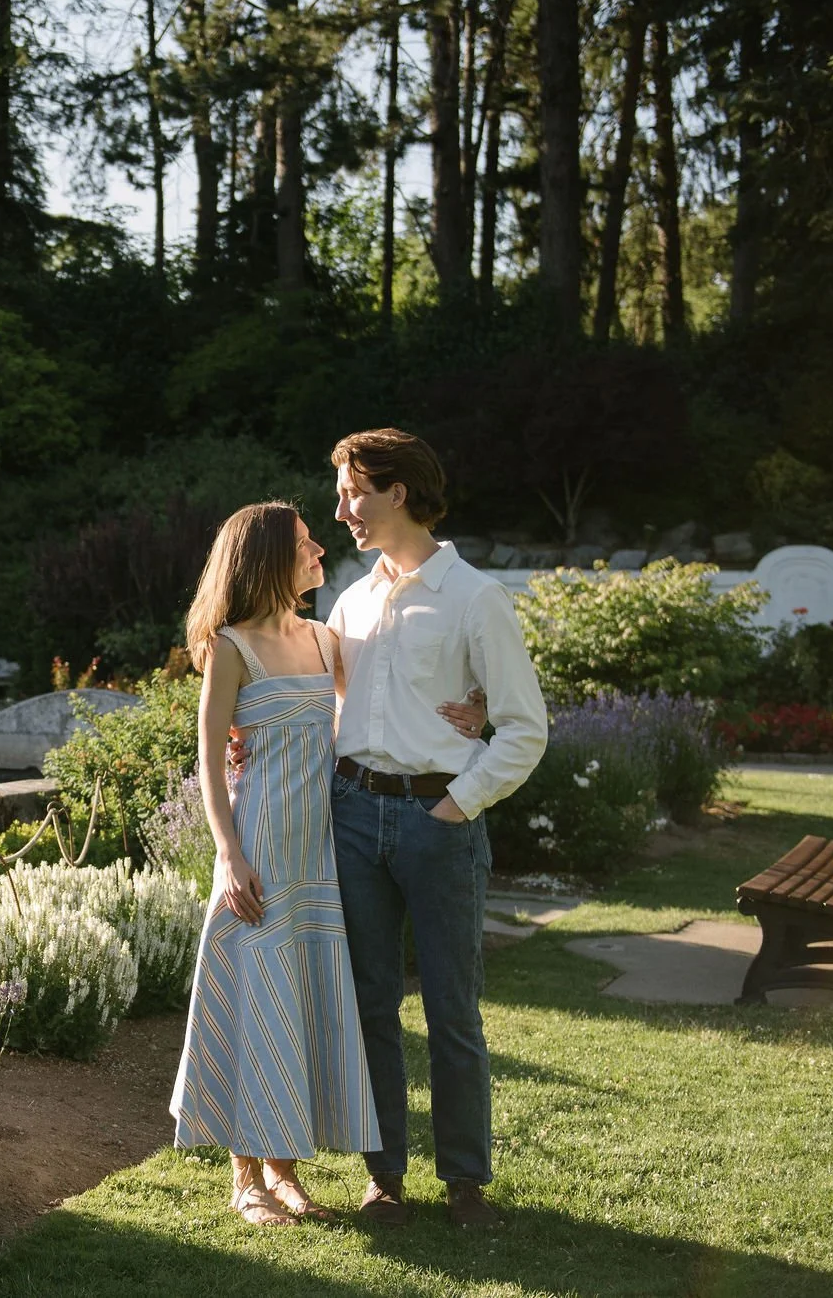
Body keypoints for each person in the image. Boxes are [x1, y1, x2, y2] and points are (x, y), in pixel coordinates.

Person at [170, 501, 485, 1227]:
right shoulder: (230, 646)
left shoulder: (323, 637)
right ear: (268, 559)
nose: (319, 553)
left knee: (297, 1002)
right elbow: (210, 758)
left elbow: (382, 704)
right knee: (256, 996)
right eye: (306, 544)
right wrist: (229, 854)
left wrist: (478, 704)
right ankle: (245, 1178)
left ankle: (283, 1172)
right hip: (258, 850)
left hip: (322, 850)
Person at [324, 428, 547, 1230]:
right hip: (354, 815)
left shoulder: (475, 598)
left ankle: (464, 1182)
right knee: (371, 1004)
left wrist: (456, 802)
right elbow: (328, 705)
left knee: (453, 1009)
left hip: (437, 819)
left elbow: (525, 728)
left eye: (354, 492)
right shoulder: (349, 600)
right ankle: (384, 1177)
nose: (342, 510)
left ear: (399, 493)